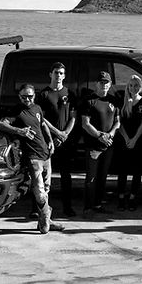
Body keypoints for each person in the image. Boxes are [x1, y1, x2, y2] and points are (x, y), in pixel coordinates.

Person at [0, 84, 65, 234]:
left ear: (34, 96)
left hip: (45, 154)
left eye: (30, 96)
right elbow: (0, 125)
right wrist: (19, 131)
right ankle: (46, 219)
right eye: (24, 96)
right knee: (39, 191)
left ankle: (45, 221)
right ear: (19, 97)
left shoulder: (37, 108)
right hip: (32, 157)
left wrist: (50, 141)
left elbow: (43, 124)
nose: (27, 99)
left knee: (46, 189)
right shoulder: (16, 111)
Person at [36, 62, 78, 217]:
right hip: (47, 141)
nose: (58, 75)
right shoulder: (43, 94)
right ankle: (40, 208)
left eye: (61, 73)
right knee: (44, 176)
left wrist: (64, 134)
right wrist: (55, 134)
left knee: (66, 175)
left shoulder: (69, 94)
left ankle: (67, 207)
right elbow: (41, 119)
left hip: (65, 141)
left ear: (64, 76)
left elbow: (73, 117)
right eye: (56, 72)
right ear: (50, 74)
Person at [78, 71, 120, 218]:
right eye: (101, 82)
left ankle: (98, 204)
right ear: (97, 84)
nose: (104, 85)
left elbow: (118, 122)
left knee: (103, 177)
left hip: (108, 145)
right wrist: (100, 136)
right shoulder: (89, 101)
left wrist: (111, 134)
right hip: (93, 146)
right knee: (91, 178)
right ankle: (88, 207)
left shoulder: (113, 101)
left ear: (110, 84)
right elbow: (85, 124)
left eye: (107, 82)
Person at [113, 74, 142, 211]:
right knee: (122, 171)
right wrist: (127, 138)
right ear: (127, 87)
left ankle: (133, 198)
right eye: (131, 85)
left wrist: (134, 139)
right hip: (124, 140)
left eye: (136, 85)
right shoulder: (123, 102)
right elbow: (119, 123)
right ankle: (121, 198)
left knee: (137, 171)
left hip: (139, 141)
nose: (133, 88)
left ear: (140, 87)